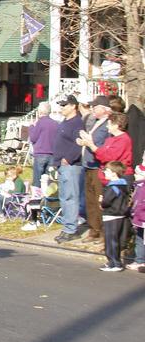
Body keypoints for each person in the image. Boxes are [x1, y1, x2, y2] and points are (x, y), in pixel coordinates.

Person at [52, 95, 85, 244]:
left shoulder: (77, 122)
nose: (62, 108)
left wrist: (68, 158)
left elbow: (78, 143)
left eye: (65, 105)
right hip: (62, 165)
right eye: (61, 105)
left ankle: (71, 229)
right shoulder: (65, 122)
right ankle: (67, 227)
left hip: (71, 166)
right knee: (64, 197)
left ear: (73, 106)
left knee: (71, 197)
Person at [79, 95, 112, 241]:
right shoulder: (96, 122)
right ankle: (94, 229)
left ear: (105, 109)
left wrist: (87, 141)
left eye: (95, 106)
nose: (92, 108)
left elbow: (101, 144)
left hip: (99, 166)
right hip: (88, 164)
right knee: (90, 199)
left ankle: (103, 232)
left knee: (100, 200)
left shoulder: (108, 125)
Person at [99, 162, 130, 272]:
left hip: (112, 215)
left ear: (114, 173)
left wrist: (101, 201)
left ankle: (115, 263)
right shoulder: (123, 185)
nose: (104, 173)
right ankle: (113, 262)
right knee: (115, 239)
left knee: (111, 240)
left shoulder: (113, 187)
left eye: (106, 171)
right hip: (120, 215)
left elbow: (106, 202)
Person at [28, 102, 58, 189]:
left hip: (41, 153)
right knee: (49, 181)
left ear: (39, 112)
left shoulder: (40, 123)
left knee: (38, 180)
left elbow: (33, 138)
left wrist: (31, 127)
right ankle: (47, 199)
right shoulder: (55, 123)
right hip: (52, 154)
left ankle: (37, 198)